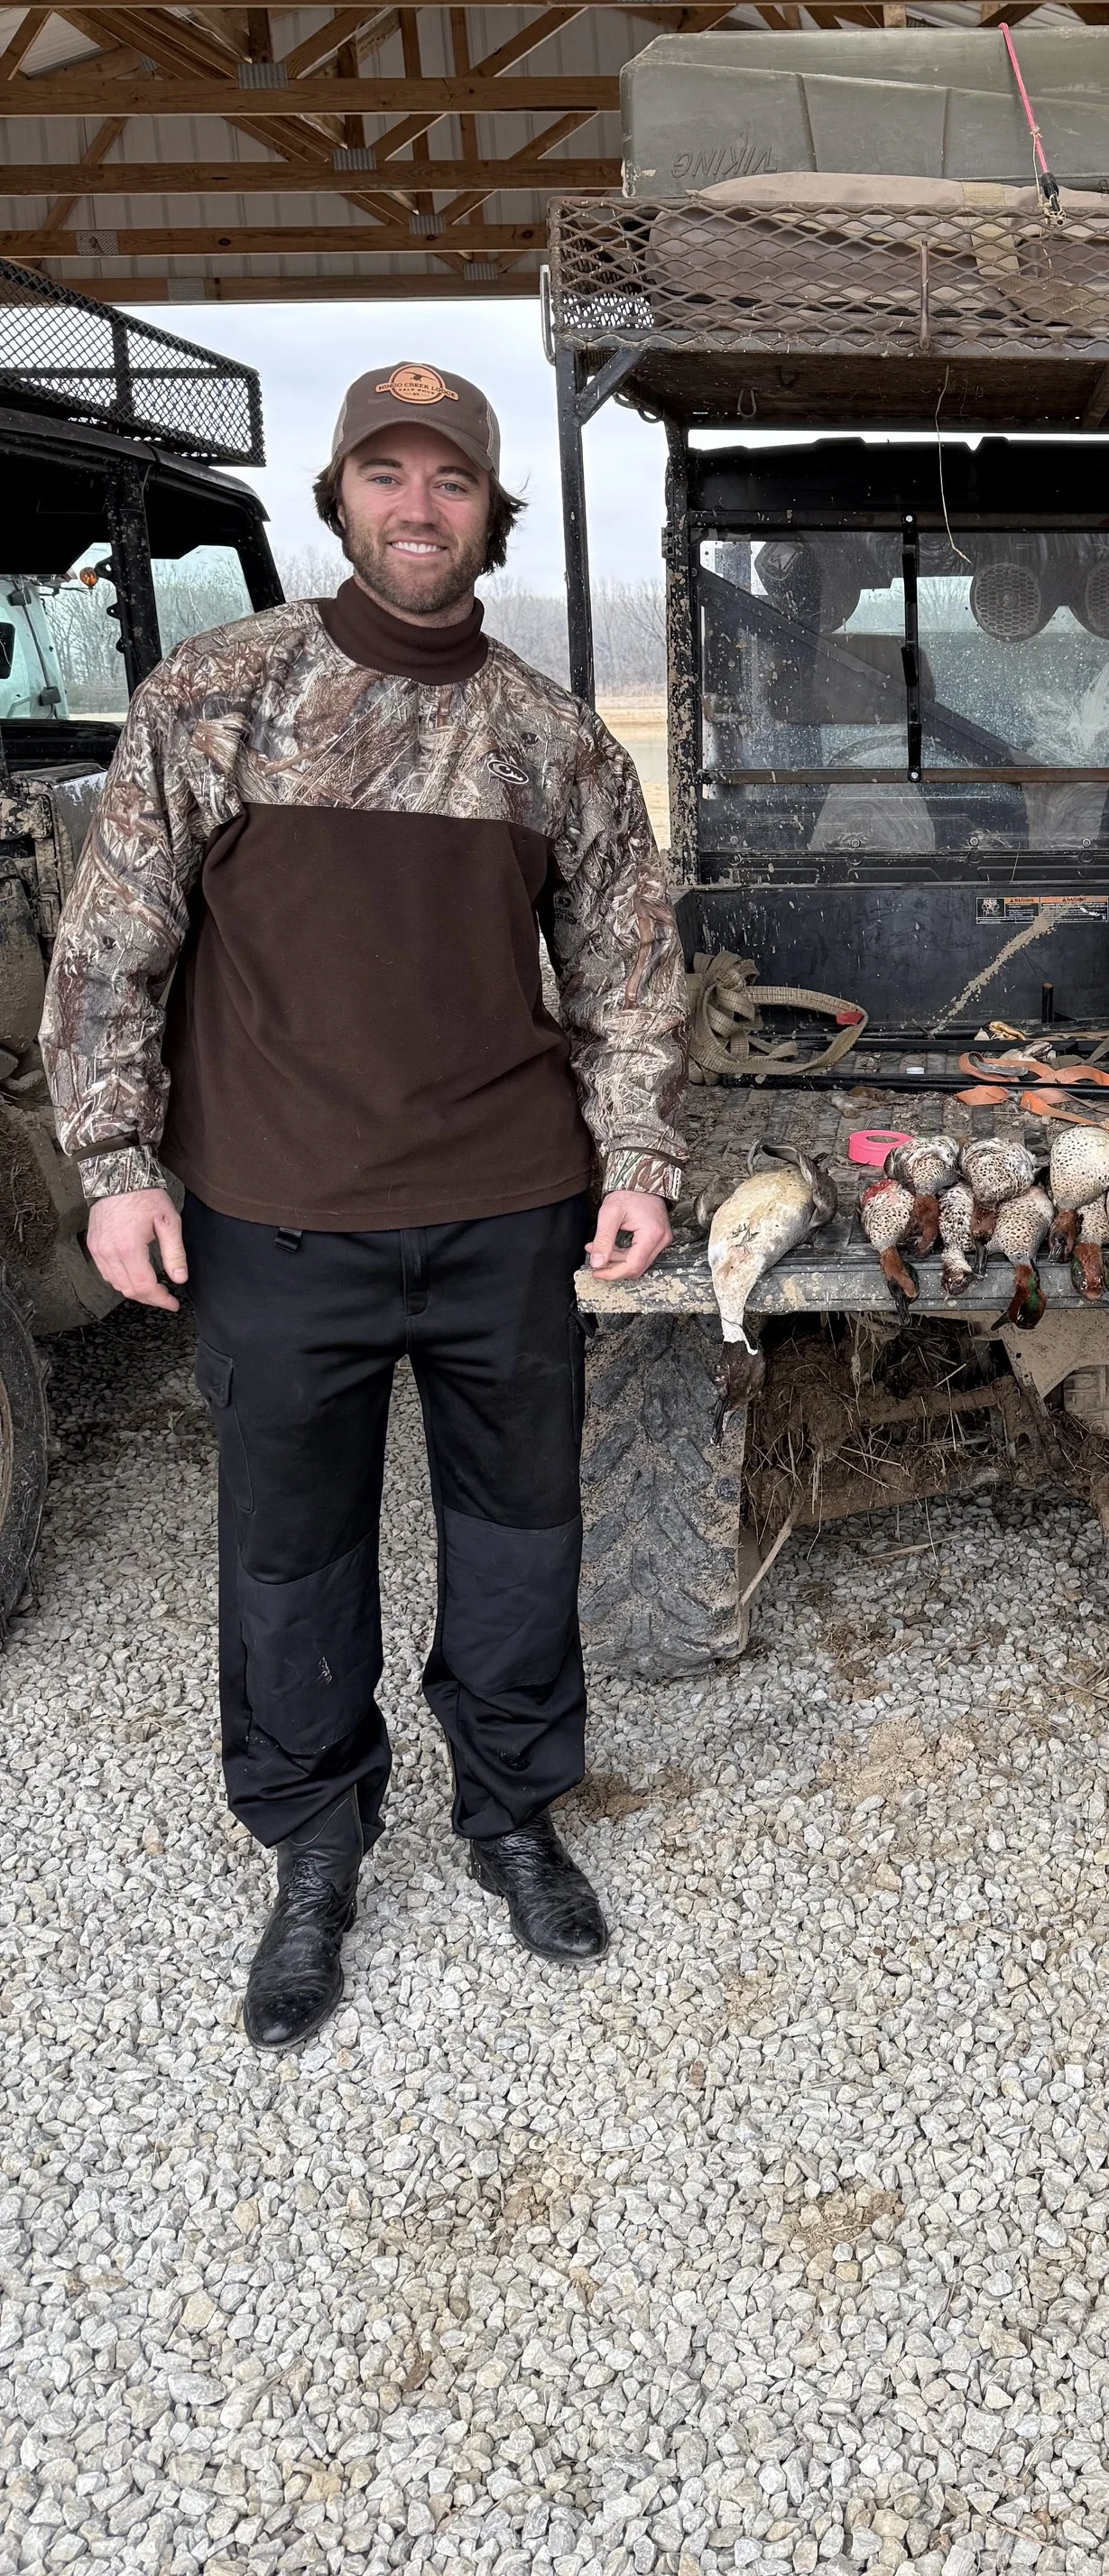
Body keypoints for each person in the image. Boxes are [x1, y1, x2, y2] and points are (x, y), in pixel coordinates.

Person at [41, 362, 688, 2053]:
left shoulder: (552, 739)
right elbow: (111, 953)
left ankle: (511, 1816)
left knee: (519, 1541)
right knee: (291, 1558)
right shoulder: (214, 700)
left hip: (508, 1216)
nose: (418, 506)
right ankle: (314, 1850)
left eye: (450, 481)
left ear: (491, 511)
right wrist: (114, 1173)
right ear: (340, 499)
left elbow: (626, 971)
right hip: (278, 1217)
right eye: (386, 476)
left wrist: (639, 1162)